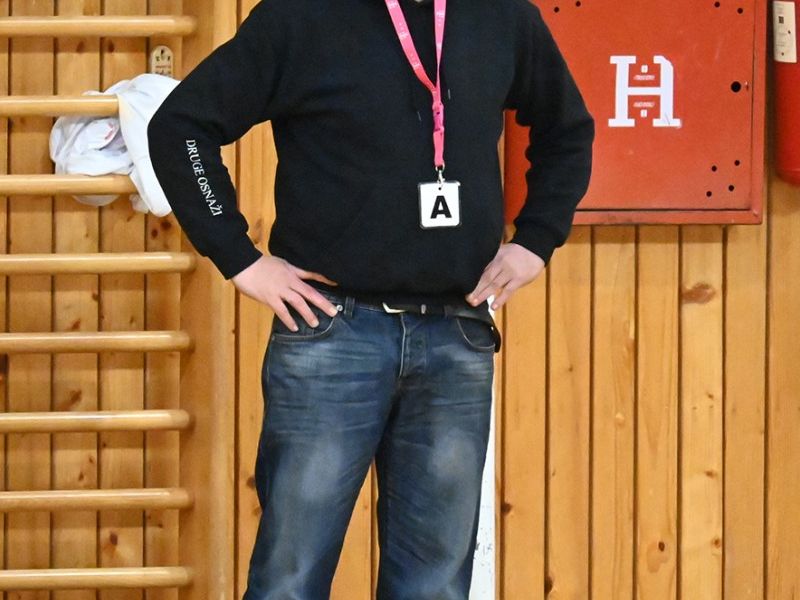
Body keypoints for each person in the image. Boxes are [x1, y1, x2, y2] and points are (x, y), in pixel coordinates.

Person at [147, 0, 594, 597]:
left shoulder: (503, 15)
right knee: (290, 579)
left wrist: (537, 240)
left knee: (435, 586)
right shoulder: (300, 17)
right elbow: (180, 128)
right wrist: (240, 259)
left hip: (456, 333)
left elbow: (568, 130)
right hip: (334, 331)